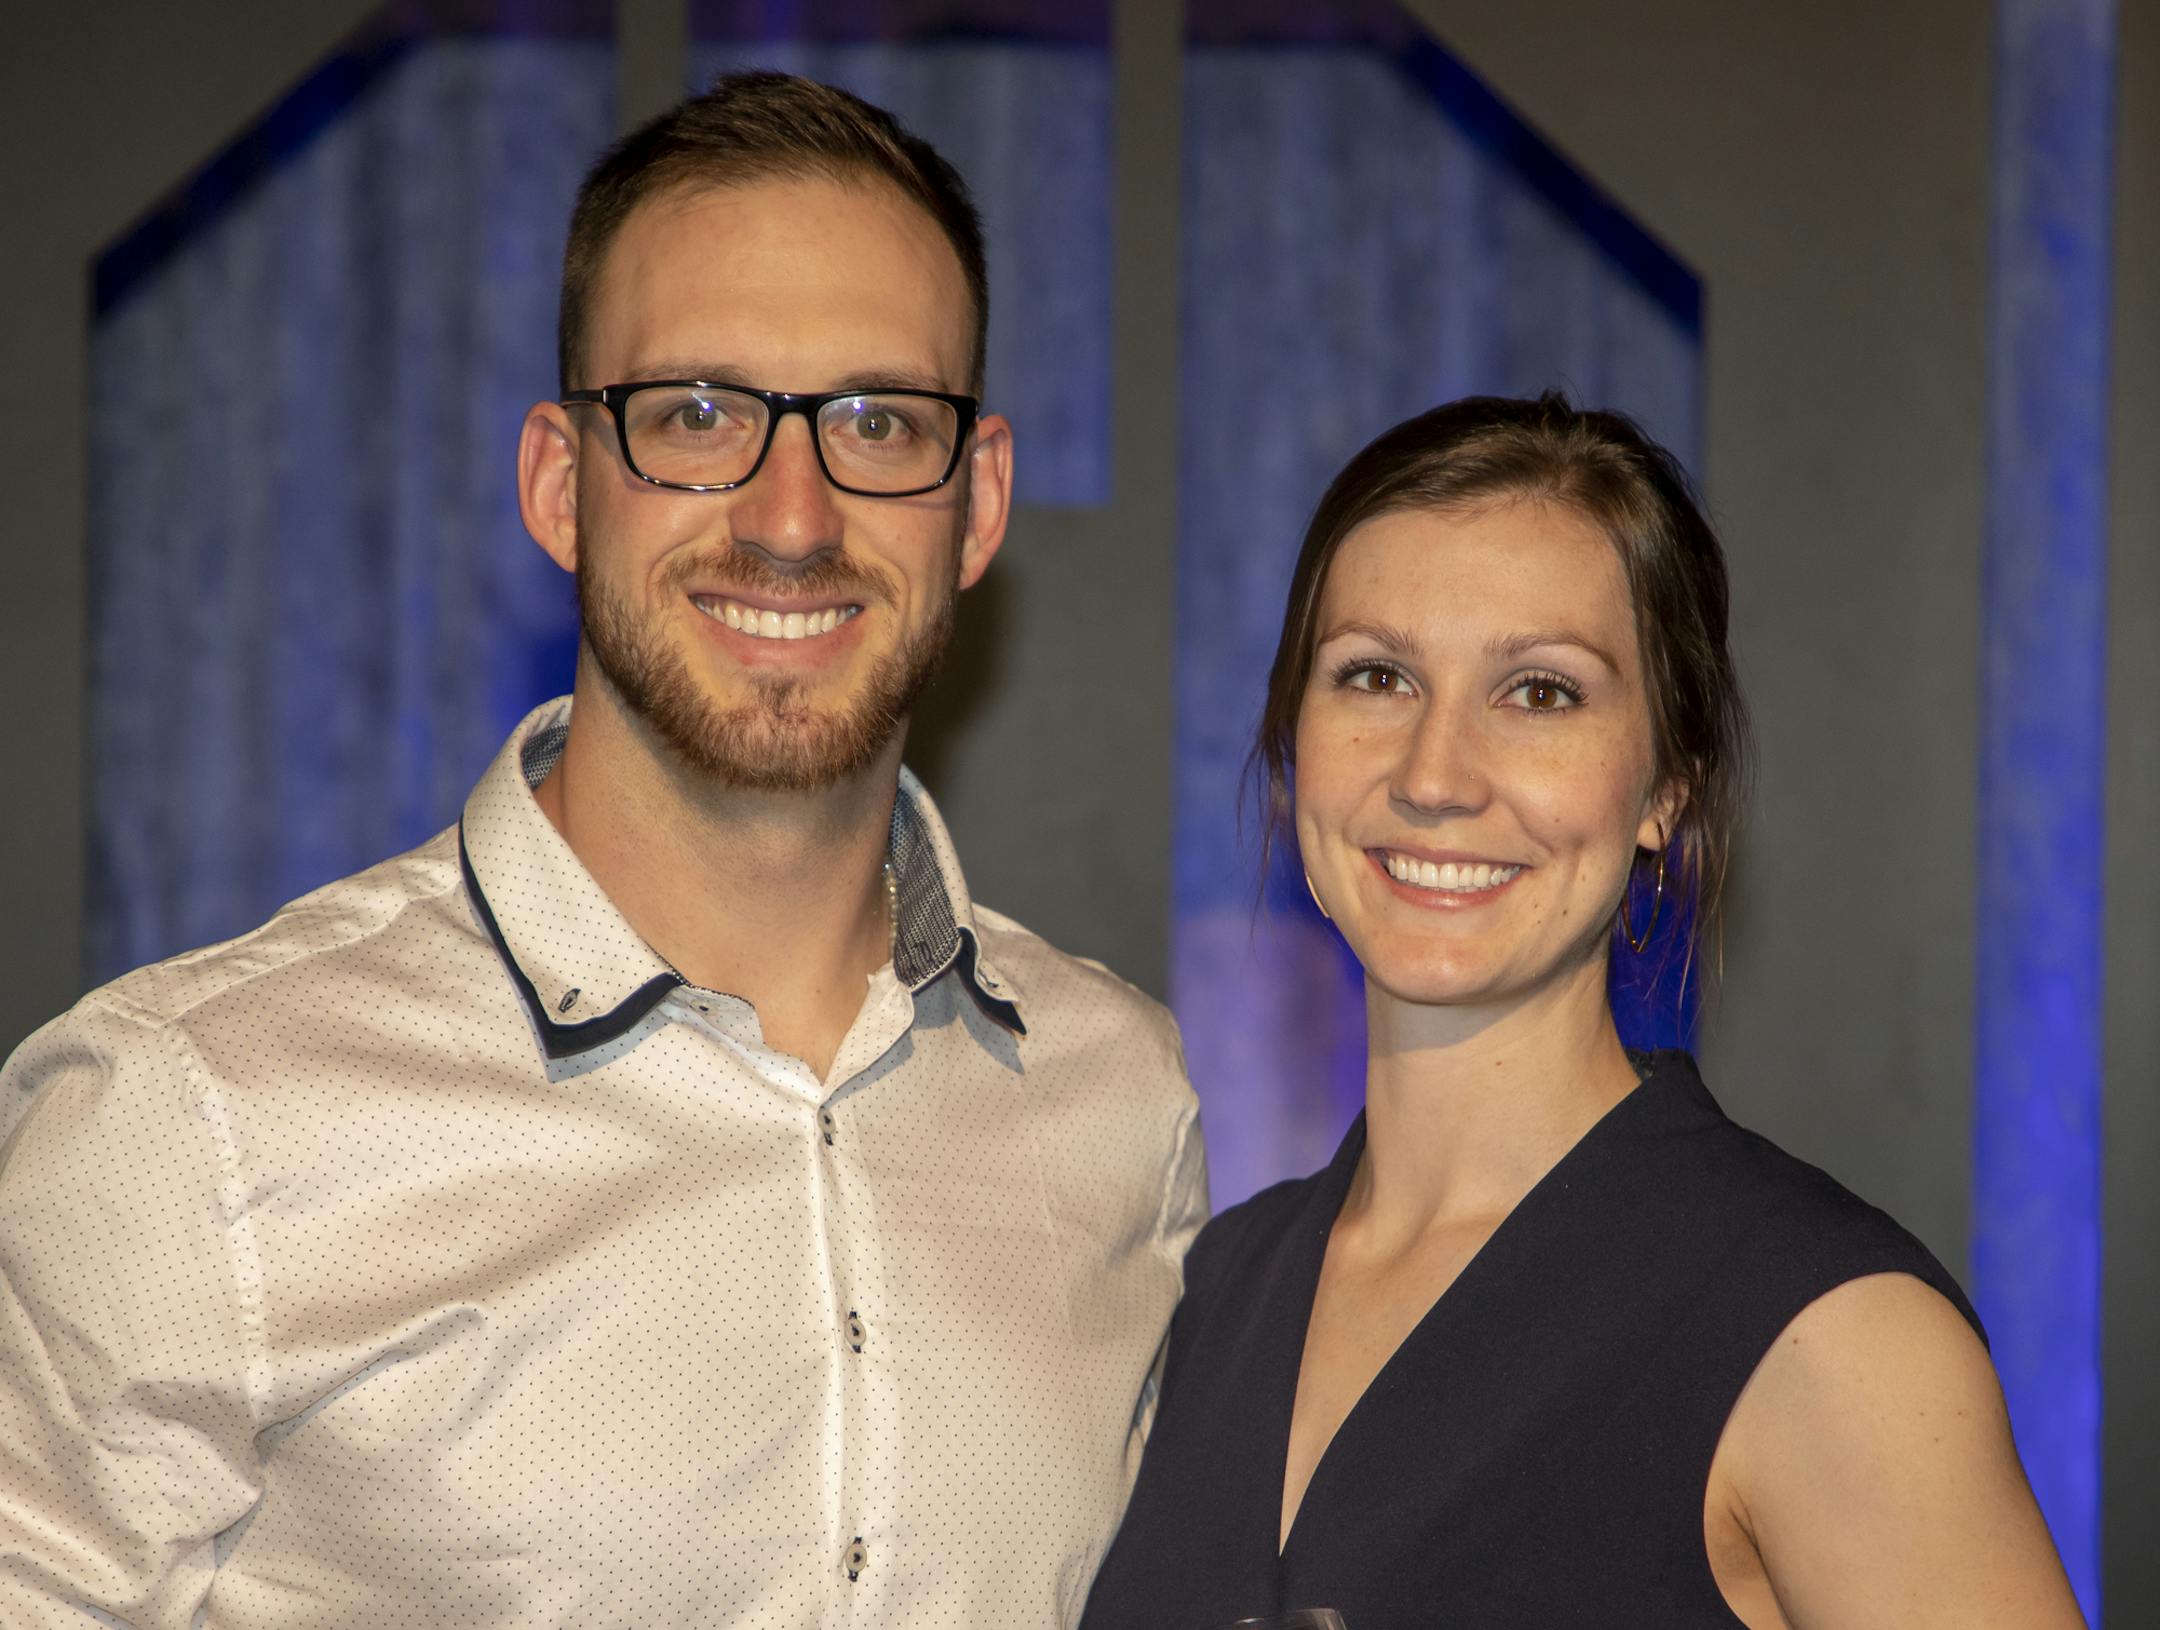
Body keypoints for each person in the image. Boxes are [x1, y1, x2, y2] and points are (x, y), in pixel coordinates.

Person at [0, 72, 1204, 1628]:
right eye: (697, 414)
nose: (790, 512)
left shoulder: (1123, 1105)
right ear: (563, 486)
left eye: (878, 421)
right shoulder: (186, 1118)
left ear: (975, 510)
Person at [1080, 394, 2082, 1629]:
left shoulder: (1833, 1336)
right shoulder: (1203, 1302)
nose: (1435, 774)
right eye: (1376, 675)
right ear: (1293, 754)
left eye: (1541, 693)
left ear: (1668, 784)